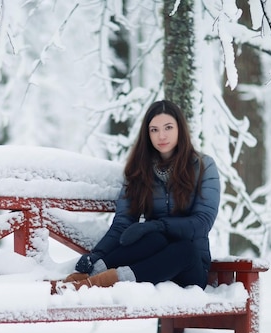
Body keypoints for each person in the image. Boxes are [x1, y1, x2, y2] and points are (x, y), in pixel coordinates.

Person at [52, 100, 220, 294]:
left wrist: (158, 225)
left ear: (180, 129)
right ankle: (89, 277)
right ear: (147, 134)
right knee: (154, 239)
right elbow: (123, 222)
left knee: (184, 249)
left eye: (168, 128)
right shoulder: (139, 170)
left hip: (188, 269)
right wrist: (96, 256)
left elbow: (203, 221)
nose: (161, 135)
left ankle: (107, 280)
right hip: (150, 258)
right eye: (154, 130)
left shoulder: (203, 166)